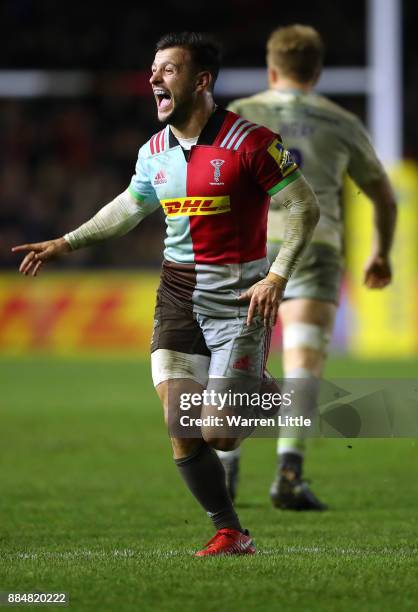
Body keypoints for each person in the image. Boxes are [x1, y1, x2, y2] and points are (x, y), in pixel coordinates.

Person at [12, 31, 319, 554]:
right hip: (177, 294)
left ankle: (274, 394)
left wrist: (277, 276)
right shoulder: (153, 151)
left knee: (220, 434)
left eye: (168, 70)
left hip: (240, 300)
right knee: (181, 423)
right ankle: (231, 531)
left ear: (201, 81)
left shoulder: (251, 142)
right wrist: (66, 242)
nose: (154, 78)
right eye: (153, 70)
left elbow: (304, 207)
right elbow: (128, 210)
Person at [218, 24, 397, 509]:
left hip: (252, 248)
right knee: (304, 358)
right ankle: (289, 474)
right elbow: (382, 192)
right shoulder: (339, 121)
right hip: (316, 246)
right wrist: (380, 251)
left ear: (271, 68)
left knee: (241, 360)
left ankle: (228, 468)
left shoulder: (240, 115)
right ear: (316, 72)